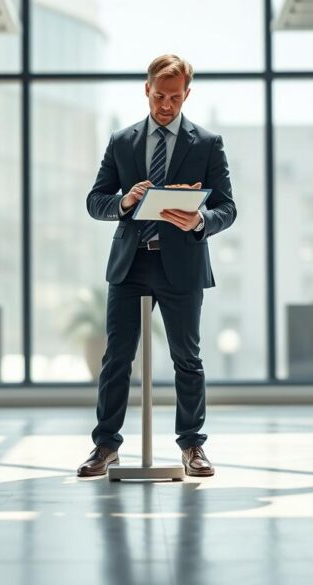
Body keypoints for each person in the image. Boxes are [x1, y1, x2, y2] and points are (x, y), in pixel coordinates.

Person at [78, 54, 237, 478]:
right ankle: (106, 446)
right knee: (117, 359)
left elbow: (228, 207)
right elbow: (96, 202)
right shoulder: (121, 141)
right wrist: (126, 200)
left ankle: (192, 446)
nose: (166, 105)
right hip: (131, 265)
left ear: (187, 94)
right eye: (160, 96)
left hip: (181, 265)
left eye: (175, 97)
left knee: (187, 357)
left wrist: (200, 220)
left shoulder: (206, 143)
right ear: (146, 89)